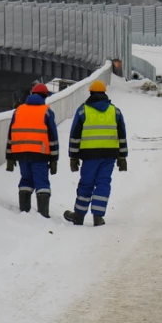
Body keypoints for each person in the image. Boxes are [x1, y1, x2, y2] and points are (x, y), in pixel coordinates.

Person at [63, 80, 128, 227]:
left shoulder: (82, 111)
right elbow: (122, 136)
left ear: (90, 93)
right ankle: (98, 217)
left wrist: (73, 157)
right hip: (109, 155)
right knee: (103, 184)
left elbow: (75, 136)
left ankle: (79, 216)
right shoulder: (115, 111)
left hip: (89, 156)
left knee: (86, 184)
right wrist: (122, 157)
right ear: (105, 93)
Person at [5, 83, 59, 218]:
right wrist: (54, 159)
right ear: (44, 96)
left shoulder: (18, 111)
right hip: (40, 154)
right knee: (42, 182)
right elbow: (53, 137)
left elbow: (11, 135)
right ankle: (43, 214)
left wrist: (9, 157)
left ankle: (24, 212)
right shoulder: (46, 112)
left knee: (26, 180)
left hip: (21, 152)